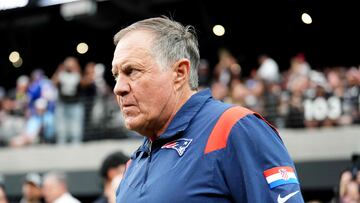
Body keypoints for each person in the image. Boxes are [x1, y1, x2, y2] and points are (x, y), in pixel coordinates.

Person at [111, 16, 304, 202]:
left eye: (131, 71)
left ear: (179, 73)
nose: (118, 88)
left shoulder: (235, 128)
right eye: (116, 75)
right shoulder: (132, 165)